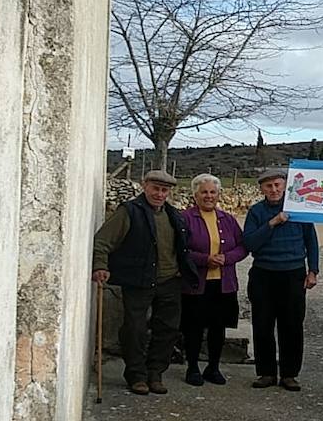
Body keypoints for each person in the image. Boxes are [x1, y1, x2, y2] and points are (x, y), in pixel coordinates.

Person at [91, 169, 195, 396]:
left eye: (164, 190)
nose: (159, 194)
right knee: (134, 329)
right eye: (155, 188)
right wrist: (100, 265)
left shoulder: (174, 215)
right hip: (138, 281)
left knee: (167, 330)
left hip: (169, 281)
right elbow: (102, 241)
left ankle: (155, 374)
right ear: (144, 186)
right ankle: (136, 375)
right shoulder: (128, 212)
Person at [242, 167, 319, 392]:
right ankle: (266, 372)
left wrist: (313, 270)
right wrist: (273, 223)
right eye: (268, 186)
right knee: (263, 324)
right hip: (263, 274)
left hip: (293, 274)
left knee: (292, 326)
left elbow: (311, 241)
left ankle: (289, 374)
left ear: (285, 185)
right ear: (262, 189)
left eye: (277, 185)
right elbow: (250, 243)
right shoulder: (256, 212)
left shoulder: (300, 210)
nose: (274, 190)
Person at [180, 173, 247, 387]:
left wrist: (226, 258)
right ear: (195, 195)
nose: (208, 196)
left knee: (218, 327)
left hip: (223, 283)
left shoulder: (228, 219)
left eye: (212, 192)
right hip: (196, 284)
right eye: (204, 192)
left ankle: (213, 367)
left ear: (218, 194)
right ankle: (192, 367)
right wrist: (203, 259)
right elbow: (180, 250)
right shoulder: (185, 218)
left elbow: (243, 246)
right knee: (194, 327)